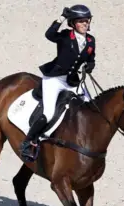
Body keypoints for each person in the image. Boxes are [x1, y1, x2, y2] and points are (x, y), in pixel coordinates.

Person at [19, 4, 97, 162]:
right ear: (73, 23)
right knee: (48, 114)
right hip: (55, 79)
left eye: (87, 21)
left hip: (73, 81)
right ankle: (28, 142)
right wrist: (61, 18)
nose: (85, 24)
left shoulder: (90, 40)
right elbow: (49, 34)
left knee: (91, 110)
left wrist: (90, 66)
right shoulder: (65, 36)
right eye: (81, 21)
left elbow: (91, 59)